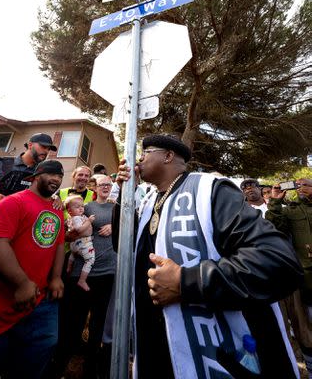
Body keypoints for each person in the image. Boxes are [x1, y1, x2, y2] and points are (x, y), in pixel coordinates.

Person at [113, 134, 303, 378]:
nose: (137, 160)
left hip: (221, 358)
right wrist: (124, 193)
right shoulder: (150, 201)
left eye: (144, 154)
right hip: (160, 353)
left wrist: (187, 281)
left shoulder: (212, 190)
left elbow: (279, 262)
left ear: (168, 156)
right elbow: (124, 246)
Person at [0, 159, 65, 379]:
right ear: (35, 176)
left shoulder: (56, 209)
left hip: (42, 301)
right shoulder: (14, 202)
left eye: (60, 176)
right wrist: (22, 283)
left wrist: (56, 278)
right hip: (3, 301)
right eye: (52, 174)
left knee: (41, 349)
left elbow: (58, 244)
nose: (57, 179)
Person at [54, 174, 117, 379]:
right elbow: (70, 223)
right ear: (95, 188)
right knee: (73, 321)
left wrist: (115, 227)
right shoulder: (87, 207)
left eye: (109, 184)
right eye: (102, 185)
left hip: (107, 271)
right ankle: (59, 365)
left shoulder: (116, 208)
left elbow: (131, 228)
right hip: (82, 271)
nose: (106, 187)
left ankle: (91, 370)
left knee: (98, 323)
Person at [266, 179, 312, 378]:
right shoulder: (291, 210)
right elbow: (273, 227)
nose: (301, 188)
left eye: (307, 184)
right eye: (298, 185)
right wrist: (275, 202)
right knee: (307, 332)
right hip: (306, 282)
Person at [0, 132, 57, 202]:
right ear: (30, 145)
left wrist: (55, 198)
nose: (46, 151)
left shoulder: (41, 173)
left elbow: (45, 196)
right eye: (43, 147)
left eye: (48, 149)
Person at [65, 195, 95, 292]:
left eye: (82, 206)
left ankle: (69, 268)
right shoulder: (76, 218)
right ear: (69, 211)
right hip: (82, 243)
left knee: (73, 255)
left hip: (75, 245)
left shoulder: (77, 216)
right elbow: (79, 229)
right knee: (90, 259)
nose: (81, 208)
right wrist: (89, 221)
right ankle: (82, 280)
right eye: (77, 207)